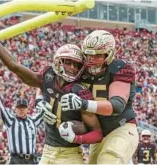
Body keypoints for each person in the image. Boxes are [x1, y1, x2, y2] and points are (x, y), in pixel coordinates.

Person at [0, 12, 103, 164]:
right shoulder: (48, 78)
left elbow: (96, 132)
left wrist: (76, 136)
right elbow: (15, 66)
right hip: (47, 151)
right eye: (68, 62)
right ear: (58, 61)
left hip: (70, 154)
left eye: (76, 65)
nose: (72, 68)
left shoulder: (80, 91)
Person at [60, 30, 139, 164]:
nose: (91, 60)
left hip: (121, 128)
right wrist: (39, 99)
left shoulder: (119, 68)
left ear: (108, 55)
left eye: (97, 56)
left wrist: (84, 104)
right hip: (99, 134)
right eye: (88, 55)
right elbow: (47, 79)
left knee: (109, 159)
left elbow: (117, 106)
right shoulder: (80, 69)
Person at [0, 71, 44, 164]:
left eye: (23, 108)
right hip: (16, 160)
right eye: (19, 108)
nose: (21, 110)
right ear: (15, 109)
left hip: (31, 160)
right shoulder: (10, 121)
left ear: (27, 109)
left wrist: (42, 89)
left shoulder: (33, 121)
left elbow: (44, 111)